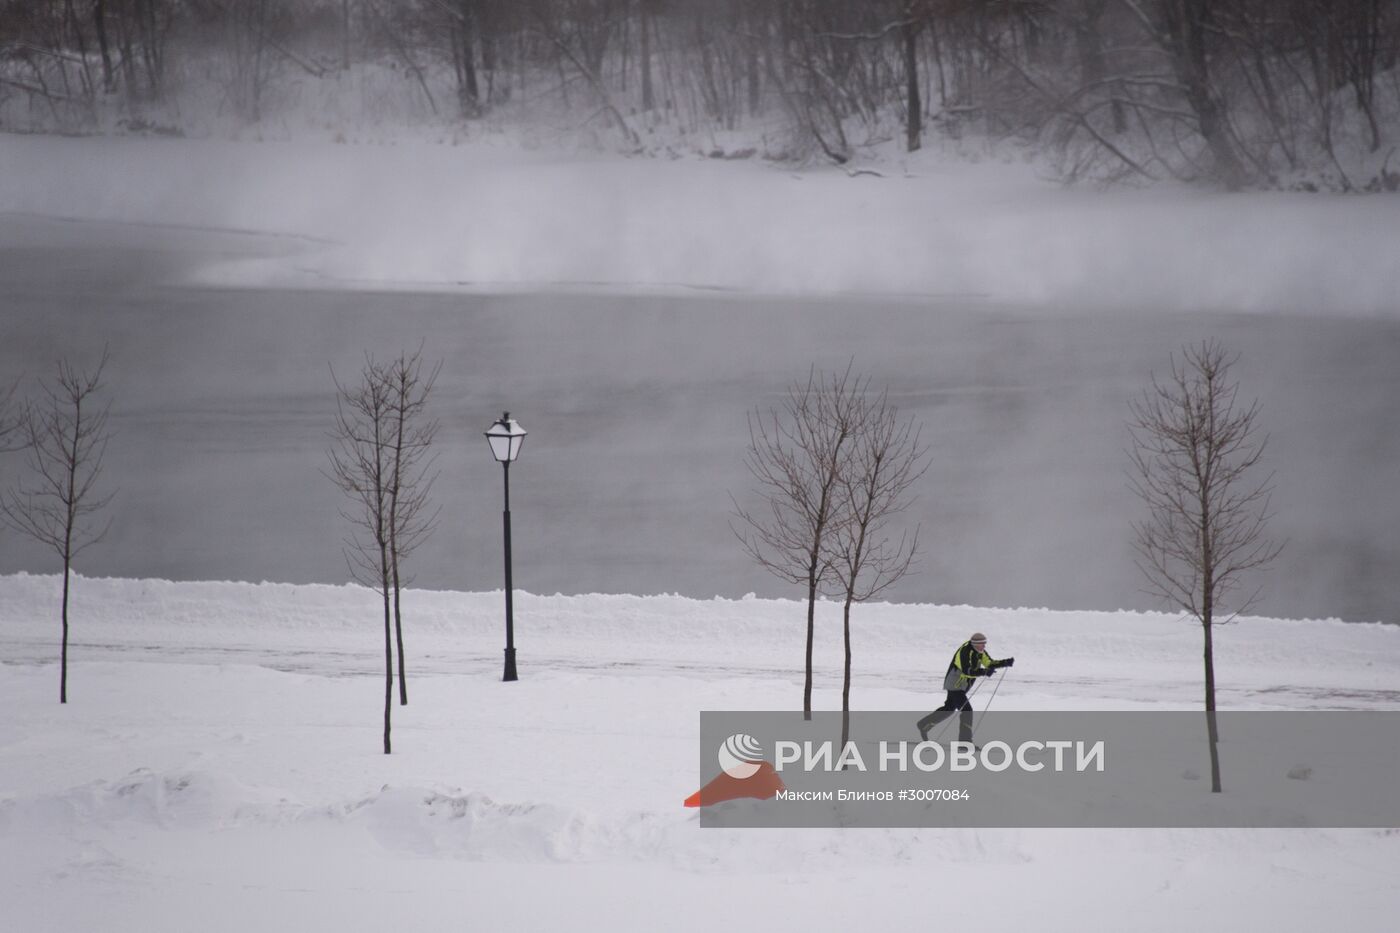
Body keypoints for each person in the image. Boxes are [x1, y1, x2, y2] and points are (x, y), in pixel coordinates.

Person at [916, 632, 1014, 743]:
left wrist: (1005, 662)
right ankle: (965, 743)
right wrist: (984, 672)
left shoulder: (979, 651)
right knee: (967, 711)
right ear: (975, 644)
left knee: (949, 709)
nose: (984, 646)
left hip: (961, 686)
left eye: (985, 643)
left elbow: (989, 663)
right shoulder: (965, 652)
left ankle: (924, 724)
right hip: (955, 684)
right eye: (982, 644)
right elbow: (967, 670)